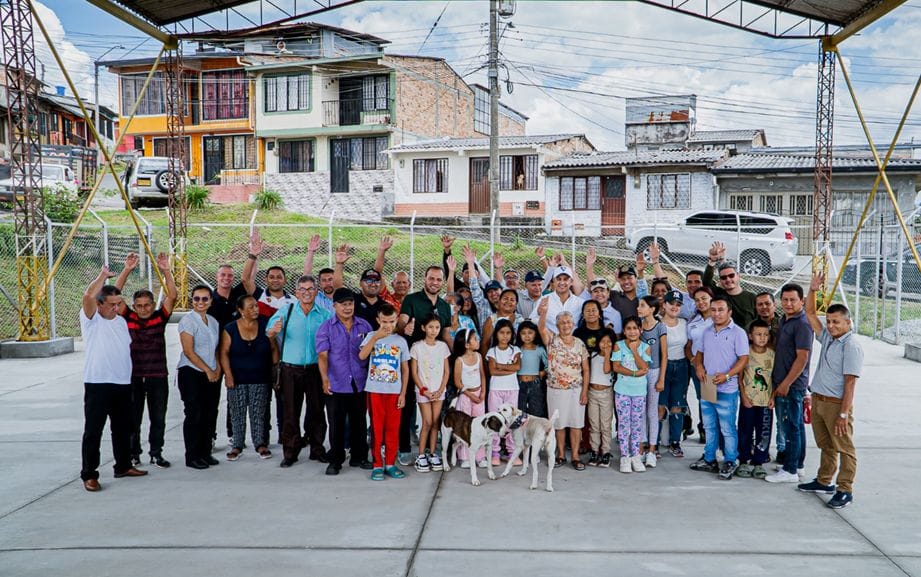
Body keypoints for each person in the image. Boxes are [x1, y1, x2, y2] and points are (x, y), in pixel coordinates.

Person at [797, 273, 863, 509]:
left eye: (837, 322)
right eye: (830, 321)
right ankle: (824, 481)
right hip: (820, 401)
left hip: (837, 404)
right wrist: (812, 290)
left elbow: (850, 384)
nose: (832, 325)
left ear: (848, 323)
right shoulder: (828, 338)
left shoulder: (851, 346)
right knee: (826, 444)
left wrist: (844, 414)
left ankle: (845, 489)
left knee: (845, 448)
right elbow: (811, 314)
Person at [79, 267, 148, 491]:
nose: (117, 307)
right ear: (100, 305)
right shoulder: (91, 320)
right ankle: (89, 474)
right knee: (93, 431)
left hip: (122, 383)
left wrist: (126, 271)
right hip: (98, 383)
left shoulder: (119, 320)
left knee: (122, 428)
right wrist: (101, 276)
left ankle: (123, 465)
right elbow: (88, 296)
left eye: (119, 303)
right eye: (111, 304)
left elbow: (115, 292)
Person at [113, 252, 177, 469]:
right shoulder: (127, 316)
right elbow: (114, 295)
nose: (143, 309)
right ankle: (134, 454)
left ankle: (156, 453)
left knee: (158, 418)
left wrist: (166, 270)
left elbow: (173, 295)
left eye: (147, 305)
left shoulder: (161, 317)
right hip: (134, 376)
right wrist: (127, 270)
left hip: (158, 376)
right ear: (134, 306)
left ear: (152, 304)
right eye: (139, 305)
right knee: (133, 419)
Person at [267, 275, 332, 468]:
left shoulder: (324, 314)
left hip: (315, 369)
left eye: (310, 289)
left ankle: (317, 449)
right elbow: (269, 332)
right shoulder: (286, 311)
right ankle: (290, 452)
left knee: (317, 412)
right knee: (290, 413)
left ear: (316, 292)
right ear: (296, 293)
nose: (306, 293)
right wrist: (272, 332)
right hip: (290, 370)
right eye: (302, 289)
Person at [316, 288, 374, 475]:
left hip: (360, 381)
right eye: (343, 304)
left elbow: (372, 352)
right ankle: (336, 460)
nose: (348, 308)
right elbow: (323, 356)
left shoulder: (364, 326)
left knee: (359, 422)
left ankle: (360, 457)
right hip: (336, 382)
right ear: (335, 306)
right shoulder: (326, 328)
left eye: (350, 304)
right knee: (336, 423)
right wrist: (325, 379)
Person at [397, 264, 452, 465]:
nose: (435, 282)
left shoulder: (445, 306)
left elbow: (446, 334)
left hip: (436, 364)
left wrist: (457, 356)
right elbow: (401, 322)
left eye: (438, 279)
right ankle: (403, 448)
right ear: (425, 279)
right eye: (431, 278)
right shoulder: (411, 300)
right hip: (413, 361)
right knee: (407, 406)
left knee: (435, 415)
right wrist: (405, 327)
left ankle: (431, 450)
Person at [690, 295, 749, 480]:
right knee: (709, 425)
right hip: (708, 384)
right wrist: (698, 366)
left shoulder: (738, 333)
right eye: (713, 310)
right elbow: (698, 354)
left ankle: (730, 460)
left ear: (729, 312)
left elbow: (743, 359)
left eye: (720, 310)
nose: (716, 314)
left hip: (727, 387)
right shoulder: (706, 332)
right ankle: (709, 459)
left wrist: (727, 375)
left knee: (727, 428)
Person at [765, 283, 814, 484]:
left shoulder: (802, 324)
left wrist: (785, 383)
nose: (788, 303)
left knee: (790, 426)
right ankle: (798, 464)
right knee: (796, 426)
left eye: (793, 300)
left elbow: (802, 358)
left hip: (792, 385)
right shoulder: (786, 319)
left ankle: (790, 470)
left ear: (801, 301)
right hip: (785, 382)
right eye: (784, 300)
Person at [218, 294, 276, 461]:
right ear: (241, 310)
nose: (255, 309)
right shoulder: (230, 328)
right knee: (237, 413)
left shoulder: (265, 325)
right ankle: (237, 445)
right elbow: (224, 353)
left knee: (259, 413)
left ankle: (260, 444)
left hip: (261, 377)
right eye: (251, 307)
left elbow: (273, 348)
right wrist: (228, 375)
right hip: (237, 378)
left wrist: (275, 371)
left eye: (256, 306)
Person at [360, 303, 410, 481]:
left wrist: (403, 393)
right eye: (384, 322)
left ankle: (390, 463)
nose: (387, 325)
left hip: (394, 392)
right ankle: (377, 465)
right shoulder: (371, 336)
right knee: (377, 428)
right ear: (377, 320)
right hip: (375, 391)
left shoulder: (401, 342)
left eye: (391, 321)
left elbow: (405, 369)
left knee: (392, 429)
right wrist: (375, 338)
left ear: (397, 321)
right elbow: (362, 356)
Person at [537, 304, 590, 471]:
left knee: (576, 424)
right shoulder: (552, 340)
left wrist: (584, 391)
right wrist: (544, 313)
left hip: (576, 389)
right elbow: (541, 327)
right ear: (558, 325)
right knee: (559, 424)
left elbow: (586, 369)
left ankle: (574, 456)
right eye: (562, 323)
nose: (566, 325)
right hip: (556, 389)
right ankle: (560, 454)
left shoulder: (580, 343)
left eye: (568, 322)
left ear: (573, 324)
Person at [177, 284, 222, 470]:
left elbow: (215, 349)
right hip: (192, 373)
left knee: (210, 414)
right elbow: (189, 351)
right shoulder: (188, 321)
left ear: (211, 301)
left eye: (205, 299)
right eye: (197, 298)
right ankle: (192, 456)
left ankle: (205, 453)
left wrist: (218, 368)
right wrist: (208, 370)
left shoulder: (213, 321)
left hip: (211, 373)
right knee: (194, 414)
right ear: (192, 300)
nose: (200, 302)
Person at [409, 314, 451, 473]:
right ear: (423, 328)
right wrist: (424, 390)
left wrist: (440, 389)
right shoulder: (417, 347)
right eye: (431, 327)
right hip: (423, 391)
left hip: (439, 391)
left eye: (437, 328)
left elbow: (447, 371)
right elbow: (414, 373)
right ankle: (421, 455)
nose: (434, 331)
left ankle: (433, 453)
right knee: (426, 422)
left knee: (435, 422)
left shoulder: (443, 347)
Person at [611, 317, 652, 474]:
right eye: (629, 328)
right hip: (622, 391)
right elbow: (617, 367)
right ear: (624, 331)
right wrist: (635, 373)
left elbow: (645, 367)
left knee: (636, 424)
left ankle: (635, 455)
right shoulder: (618, 346)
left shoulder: (645, 347)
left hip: (639, 392)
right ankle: (625, 456)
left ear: (640, 330)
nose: (632, 331)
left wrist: (635, 350)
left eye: (635, 328)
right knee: (623, 424)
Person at [736, 319, 774, 479]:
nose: (762, 337)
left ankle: (759, 462)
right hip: (749, 402)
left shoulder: (772, 354)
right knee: (745, 431)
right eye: (758, 334)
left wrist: (773, 397)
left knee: (764, 432)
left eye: (765, 334)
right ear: (750, 336)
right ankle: (743, 460)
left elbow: (775, 378)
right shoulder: (745, 354)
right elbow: (740, 377)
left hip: (765, 402)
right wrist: (743, 396)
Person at [486, 319, 522, 466]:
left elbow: (517, 367)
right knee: (495, 420)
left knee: (512, 420)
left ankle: (511, 451)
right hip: (495, 389)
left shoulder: (515, 350)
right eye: (502, 332)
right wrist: (509, 367)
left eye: (508, 333)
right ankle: (494, 452)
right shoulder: (492, 351)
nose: (505, 336)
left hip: (512, 389)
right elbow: (492, 370)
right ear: (496, 334)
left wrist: (501, 367)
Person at [451, 328, 488, 469]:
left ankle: (480, 456)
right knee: (465, 426)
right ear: (466, 344)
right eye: (474, 339)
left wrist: (483, 392)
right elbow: (457, 382)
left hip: (479, 395)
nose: (477, 341)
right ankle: (464, 456)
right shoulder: (460, 360)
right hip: (466, 397)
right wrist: (471, 395)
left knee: (480, 425)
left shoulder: (478, 356)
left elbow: (483, 375)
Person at [638, 296, 667, 468]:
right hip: (641, 372)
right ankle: (641, 447)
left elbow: (664, 355)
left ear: (652, 309)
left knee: (652, 411)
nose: (639, 308)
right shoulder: (638, 327)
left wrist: (661, 378)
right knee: (640, 410)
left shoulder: (659, 327)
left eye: (642, 306)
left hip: (654, 372)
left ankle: (652, 450)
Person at [702, 242, 757, 330]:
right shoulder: (720, 295)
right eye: (723, 277)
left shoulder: (752, 297)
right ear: (720, 281)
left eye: (731, 276)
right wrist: (712, 261)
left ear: (738, 276)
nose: (728, 279)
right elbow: (706, 282)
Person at [661, 290, 689, 458]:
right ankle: (653, 443)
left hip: (681, 366)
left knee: (677, 406)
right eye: (671, 303)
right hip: (664, 366)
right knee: (660, 406)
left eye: (678, 305)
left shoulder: (684, 323)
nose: (674, 307)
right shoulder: (657, 323)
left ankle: (675, 441)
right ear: (664, 304)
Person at [332, 243, 386, 330]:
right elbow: (338, 288)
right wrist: (339, 264)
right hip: (355, 342)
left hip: (379, 342)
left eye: (376, 281)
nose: (373, 284)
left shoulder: (385, 305)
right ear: (360, 283)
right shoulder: (353, 299)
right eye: (368, 280)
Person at [686, 287, 714, 444]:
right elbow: (688, 346)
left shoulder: (719, 319)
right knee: (701, 398)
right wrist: (693, 361)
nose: (701, 302)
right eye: (697, 300)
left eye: (704, 298)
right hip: (697, 367)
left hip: (713, 367)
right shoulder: (693, 321)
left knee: (710, 399)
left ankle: (711, 431)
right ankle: (703, 429)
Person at [586, 329, 616, 467]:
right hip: (592, 393)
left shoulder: (612, 358)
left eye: (609, 342)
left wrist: (608, 354)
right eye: (603, 342)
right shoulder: (592, 356)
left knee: (605, 425)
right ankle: (594, 451)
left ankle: (605, 452)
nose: (605, 344)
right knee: (594, 424)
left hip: (606, 394)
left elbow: (606, 370)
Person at [529, 265, 585, 335]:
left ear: (571, 282)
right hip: (550, 343)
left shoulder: (580, 302)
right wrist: (538, 313)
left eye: (565, 279)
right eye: (558, 279)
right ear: (554, 281)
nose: (562, 282)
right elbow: (531, 321)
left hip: (573, 343)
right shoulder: (544, 299)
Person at [516, 320, 548, 418]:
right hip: (519, 384)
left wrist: (544, 372)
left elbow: (549, 365)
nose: (527, 336)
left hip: (535, 384)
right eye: (523, 333)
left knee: (536, 411)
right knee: (519, 411)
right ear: (519, 335)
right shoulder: (517, 349)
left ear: (535, 334)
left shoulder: (540, 349)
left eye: (530, 333)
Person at [480, 288, 524, 355]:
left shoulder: (520, 319)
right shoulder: (491, 320)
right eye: (505, 299)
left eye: (512, 300)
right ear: (499, 301)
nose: (508, 301)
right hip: (495, 359)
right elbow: (484, 344)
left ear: (516, 304)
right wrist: (486, 364)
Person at [303, 234, 334, 312]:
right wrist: (310, 251)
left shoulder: (343, 296)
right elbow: (306, 278)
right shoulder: (315, 296)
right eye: (324, 280)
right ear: (319, 283)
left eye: (330, 279)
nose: (327, 283)